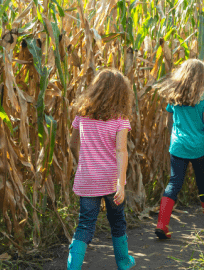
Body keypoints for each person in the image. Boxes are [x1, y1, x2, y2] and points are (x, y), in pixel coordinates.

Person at [67, 68, 136, 270]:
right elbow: (121, 151)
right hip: (110, 179)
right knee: (117, 221)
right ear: (121, 93)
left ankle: (73, 267)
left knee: (85, 226)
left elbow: (72, 144)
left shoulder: (82, 116)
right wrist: (120, 185)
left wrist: (84, 164)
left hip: (87, 178)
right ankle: (123, 262)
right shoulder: (120, 119)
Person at [155, 59, 204, 239]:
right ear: (202, 78)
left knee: (174, 182)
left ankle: (162, 224)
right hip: (200, 147)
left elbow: (169, 122)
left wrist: (173, 140)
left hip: (178, 146)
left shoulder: (173, 97)